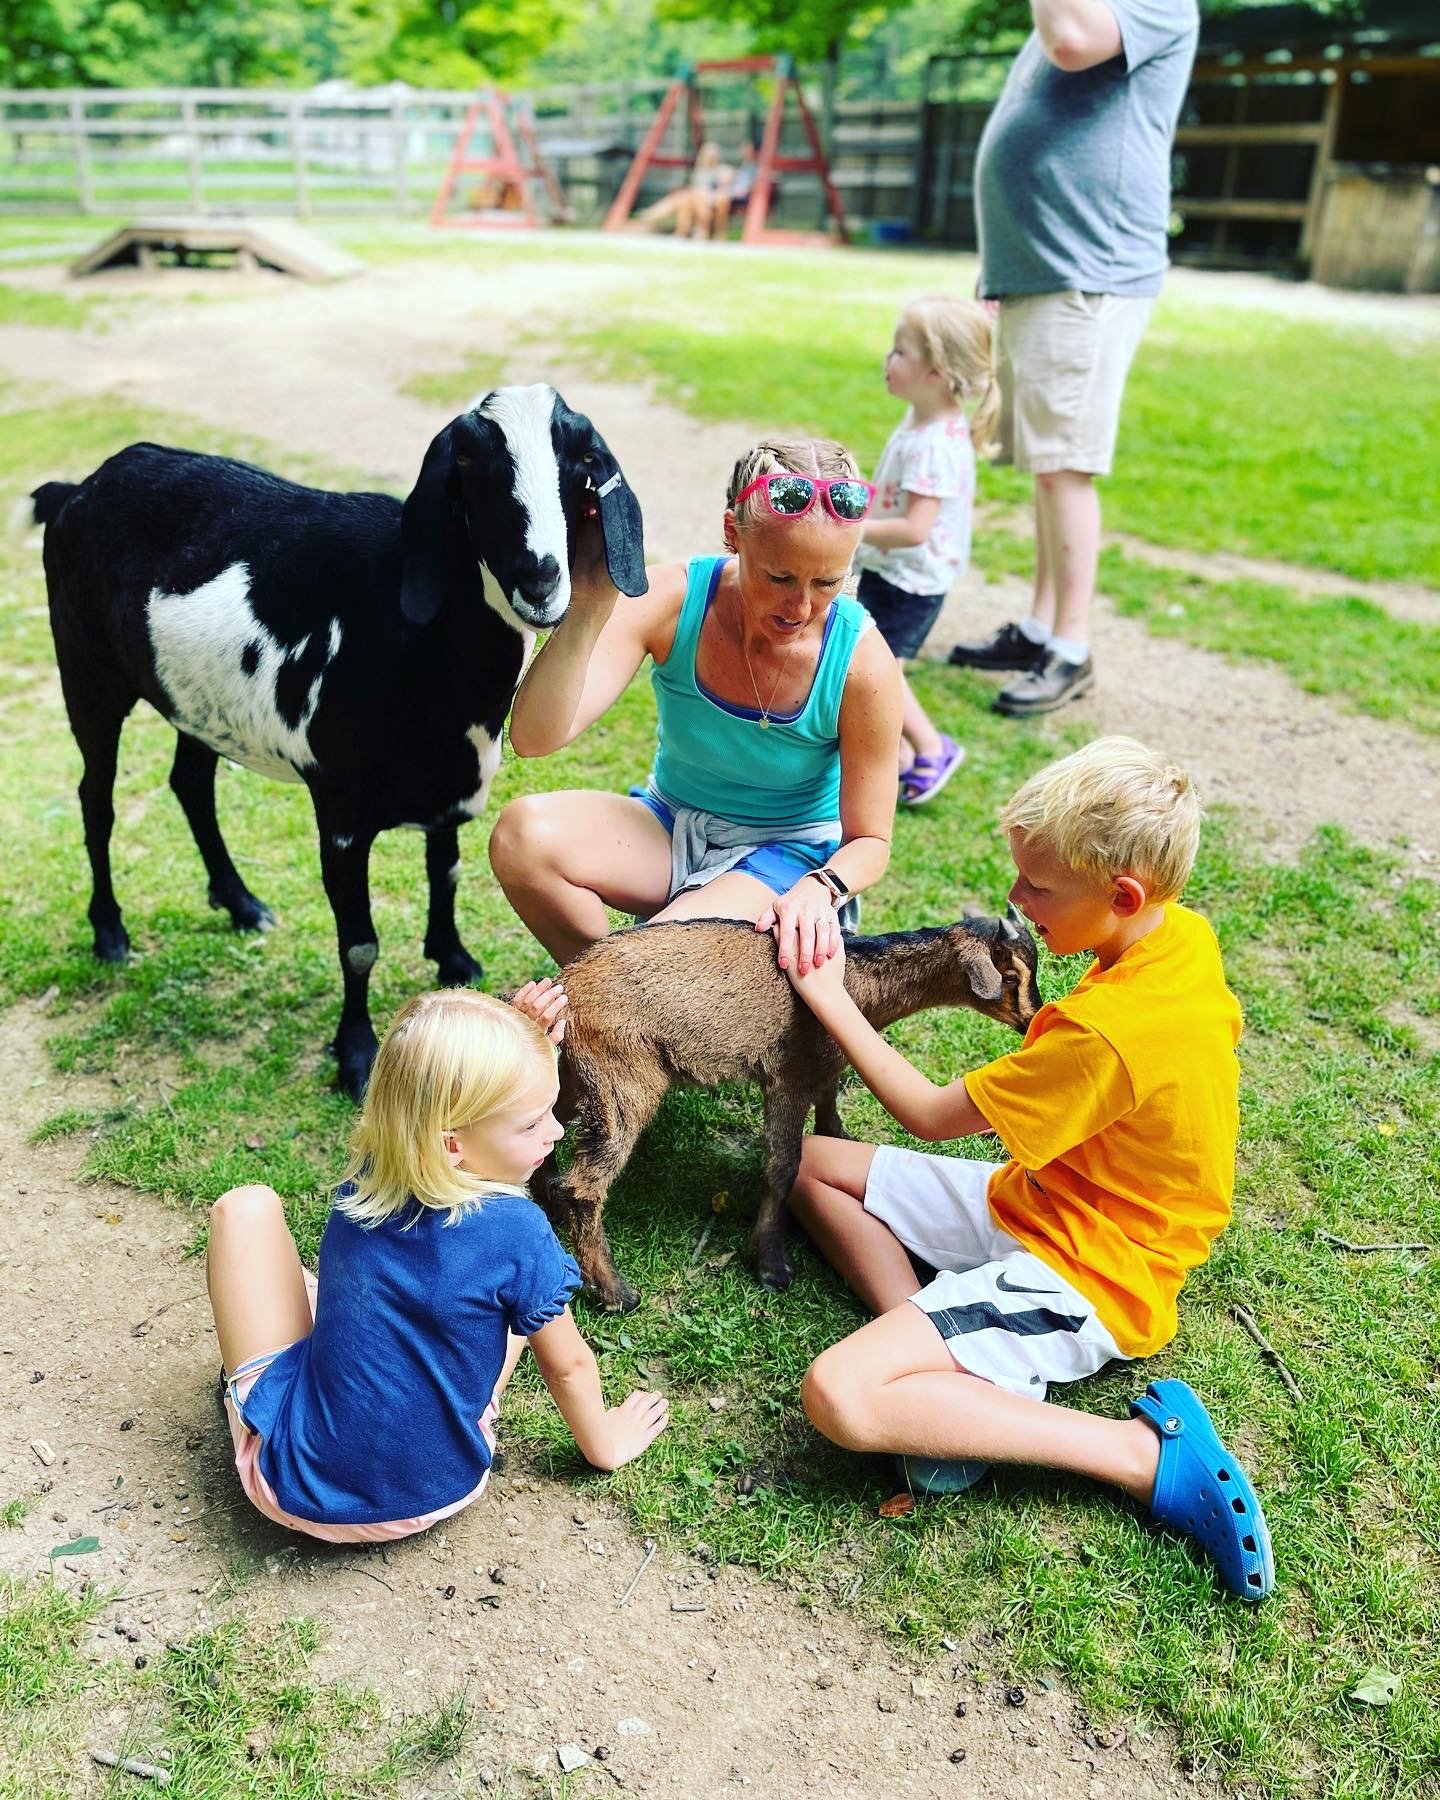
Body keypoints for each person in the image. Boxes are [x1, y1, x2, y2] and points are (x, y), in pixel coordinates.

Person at [781, 737, 1274, 1602]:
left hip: (1091, 1271)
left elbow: (932, 1116)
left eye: (1040, 888)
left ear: (1122, 895)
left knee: (840, 1394)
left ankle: (1139, 1456)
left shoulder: (1106, 1034)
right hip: (1043, 1201)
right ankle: (953, 1365)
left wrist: (830, 997)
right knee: (805, 1165)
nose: (1016, 899)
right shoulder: (1176, 935)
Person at [205, 983, 668, 1542]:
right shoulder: (518, 1231)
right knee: (522, 1306)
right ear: (452, 1144)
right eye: (532, 1122)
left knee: (245, 1209)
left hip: (295, 1491)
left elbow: (419, 1086)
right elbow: (567, 1366)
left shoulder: (379, 1163)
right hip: (443, 1486)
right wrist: (604, 1445)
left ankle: (262, 1397)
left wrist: (509, 1050)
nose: (557, 1130)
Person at [489, 439, 904, 979]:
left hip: (788, 858)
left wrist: (821, 887)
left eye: (828, 582)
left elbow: (870, 840)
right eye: (779, 577)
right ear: (732, 533)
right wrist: (590, 605)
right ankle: (627, 1007)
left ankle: (635, 999)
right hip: (671, 823)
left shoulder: (861, 661)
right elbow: (536, 736)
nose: (800, 607)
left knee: (653, 959)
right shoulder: (674, 597)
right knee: (523, 837)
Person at [948, 0, 1199, 716]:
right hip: (1042, 268)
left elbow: (1071, 40)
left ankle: (1073, 647)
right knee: (1044, 465)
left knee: (1065, 466)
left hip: (1091, 268)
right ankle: (1039, 627)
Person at [853, 296, 999, 806]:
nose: (887, 361)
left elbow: (916, 528)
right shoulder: (922, 422)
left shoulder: (933, 443)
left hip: (908, 579)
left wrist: (853, 528)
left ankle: (932, 748)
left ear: (935, 372)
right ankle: (897, 757)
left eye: (899, 352)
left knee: (880, 665)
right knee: (872, 658)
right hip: (894, 571)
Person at [632, 140, 728, 238]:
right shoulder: (700, 171)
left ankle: (651, 214)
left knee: (684, 197)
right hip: (695, 200)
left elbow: (721, 190)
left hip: (705, 200)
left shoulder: (720, 171)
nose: (709, 157)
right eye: (707, 154)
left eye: (711, 154)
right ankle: (654, 216)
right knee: (683, 199)